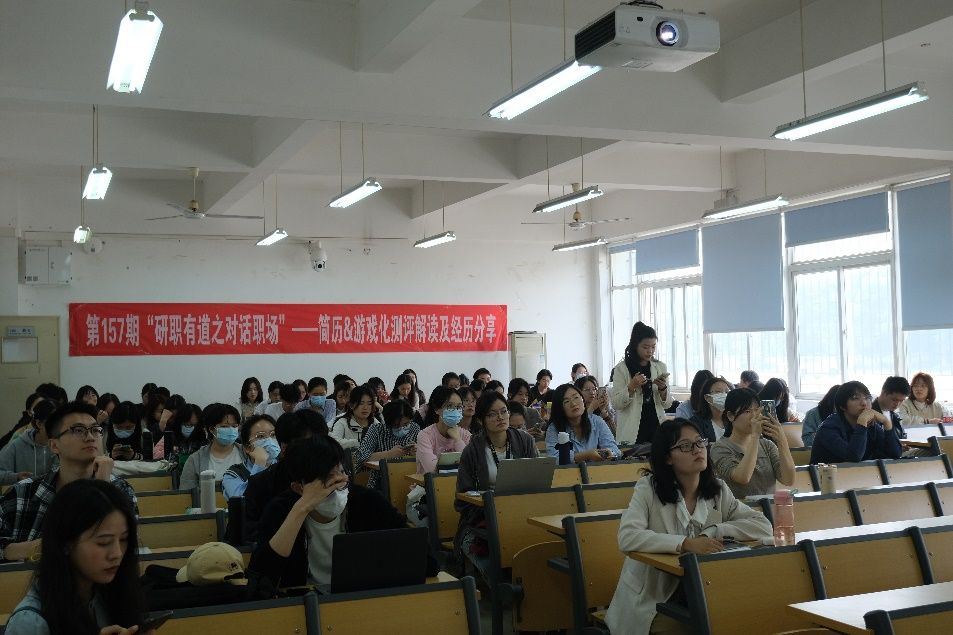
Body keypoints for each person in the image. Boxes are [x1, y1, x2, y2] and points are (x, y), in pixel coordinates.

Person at [603, 418, 772, 635]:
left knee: (748, 617)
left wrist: (715, 531)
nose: (697, 449)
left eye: (700, 442)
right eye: (685, 446)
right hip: (653, 599)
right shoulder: (648, 489)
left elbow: (763, 526)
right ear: (667, 458)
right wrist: (685, 544)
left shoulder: (718, 490)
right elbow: (628, 537)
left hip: (704, 590)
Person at [247, 435, 434, 595]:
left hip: (359, 599)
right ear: (298, 487)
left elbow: (426, 561)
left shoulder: (367, 501)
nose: (338, 486)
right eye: (328, 480)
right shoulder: (281, 509)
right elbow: (261, 576)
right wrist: (301, 509)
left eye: (342, 474)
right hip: (304, 602)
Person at [4, 479, 150, 635]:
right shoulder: (31, 623)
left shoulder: (110, 596)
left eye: (123, 539)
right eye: (104, 542)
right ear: (65, 543)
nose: (117, 553)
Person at [0, 402, 138, 562]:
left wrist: (103, 488)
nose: (90, 437)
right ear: (54, 445)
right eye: (78, 430)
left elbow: (121, 551)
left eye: (95, 430)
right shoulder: (21, 493)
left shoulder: (120, 491)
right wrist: (42, 547)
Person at [454, 392, 538, 559]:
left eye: (503, 411)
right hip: (487, 514)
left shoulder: (525, 441)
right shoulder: (472, 451)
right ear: (481, 420)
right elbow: (462, 498)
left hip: (522, 509)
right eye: (492, 414)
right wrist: (487, 503)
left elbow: (537, 478)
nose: (500, 417)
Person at [243, 410, 328, 544]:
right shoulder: (261, 484)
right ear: (284, 447)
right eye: (308, 445)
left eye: (322, 444)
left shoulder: (335, 478)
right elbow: (249, 533)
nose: (317, 452)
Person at [710, 389, 796, 498]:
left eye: (757, 410)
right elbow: (742, 477)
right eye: (747, 411)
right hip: (738, 508)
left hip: (769, 507)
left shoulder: (767, 445)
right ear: (731, 416)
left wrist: (782, 440)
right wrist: (755, 436)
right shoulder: (720, 448)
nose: (754, 416)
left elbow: (788, 480)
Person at [610, 322, 672, 445]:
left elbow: (667, 405)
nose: (650, 351)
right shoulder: (621, 369)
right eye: (645, 347)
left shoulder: (660, 367)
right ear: (635, 345)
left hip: (656, 429)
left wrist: (663, 390)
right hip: (632, 432)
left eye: (653, 346)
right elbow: (616, 404)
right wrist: (631, 387)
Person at [810, 381, 902, 464]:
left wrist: (887, 423)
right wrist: (861, 424)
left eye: (867, 398)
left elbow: (895, 454)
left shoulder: (871, 425)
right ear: (842, 406)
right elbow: (853, 457)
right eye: (855, 398)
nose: (864, 403)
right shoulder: (828, 428)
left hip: (861, 475)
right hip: (825, 476)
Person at [179, 403, 247, 490]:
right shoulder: (195, 460)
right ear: (211, 429)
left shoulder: (247, 453)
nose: (231, 430)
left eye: (234, 426)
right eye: (224, 426)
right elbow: (186, 494)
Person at [545, 384, 620, 463]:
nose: (573, 404)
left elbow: (615, 450)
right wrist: (585, 455)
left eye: (576, 397)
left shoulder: (597, 421)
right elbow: (554, 458)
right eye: (566, 401)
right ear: (559, 408)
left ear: (582, 399)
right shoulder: (554, 429)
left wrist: (609, 453)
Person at [356, 399, 419, 489]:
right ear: (388, 422)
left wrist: (416, 452)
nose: (401, 428)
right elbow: (360, 457)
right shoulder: (377, 429)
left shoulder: (414, 428)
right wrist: (389, 454)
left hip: (409, 478)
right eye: (396, 425)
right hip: (381, 480)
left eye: (406, 424)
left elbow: (425, 457)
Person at [0, 399, 56, 486]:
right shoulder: (18, 445)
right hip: (24, 493)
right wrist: (16, 477)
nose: (58, 427)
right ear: (39, 424)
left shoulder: (61, 444)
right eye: (53, 422)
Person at [416, 387, 471, 475]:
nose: (455, 411)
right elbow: (432, 469)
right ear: (437, 409)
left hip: (460, 482)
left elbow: (471, 464)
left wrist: (458, 440)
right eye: (449, 406)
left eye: (458, 407)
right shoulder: (425, 435)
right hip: (429, 483)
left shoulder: (466, 435)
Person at [222, 414, 279, 500]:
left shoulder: (286, 467)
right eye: (260, 436)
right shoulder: (234, 474)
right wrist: (260, 463)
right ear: (247, 447)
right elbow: (244, 501)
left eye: (273, 435)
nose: (270, 440)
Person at [329, 384, 378, 449]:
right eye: (361, 403)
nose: (365, 408)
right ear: (351, 405)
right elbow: (334, 443)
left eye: (369, 404)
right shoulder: (342, 423)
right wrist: (357, 442)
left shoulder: (375, 423)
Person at [689, 376, 733, 443]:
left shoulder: (731, 419)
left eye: (727, 392)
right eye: (718, 391)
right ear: (707, 397)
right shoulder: (696, 422)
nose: (724, 395)